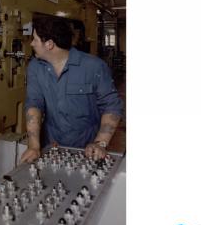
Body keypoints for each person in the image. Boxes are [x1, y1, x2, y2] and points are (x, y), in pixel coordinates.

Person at [20, 17, 124, 162]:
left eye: (35, 39)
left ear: (49, 44)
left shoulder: (94, 67)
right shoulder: (35, 67)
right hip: (51, 147)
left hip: (87, 150)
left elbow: (112, 106)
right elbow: (34, 104)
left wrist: (100, 142)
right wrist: (34, 146)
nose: (31, 43)